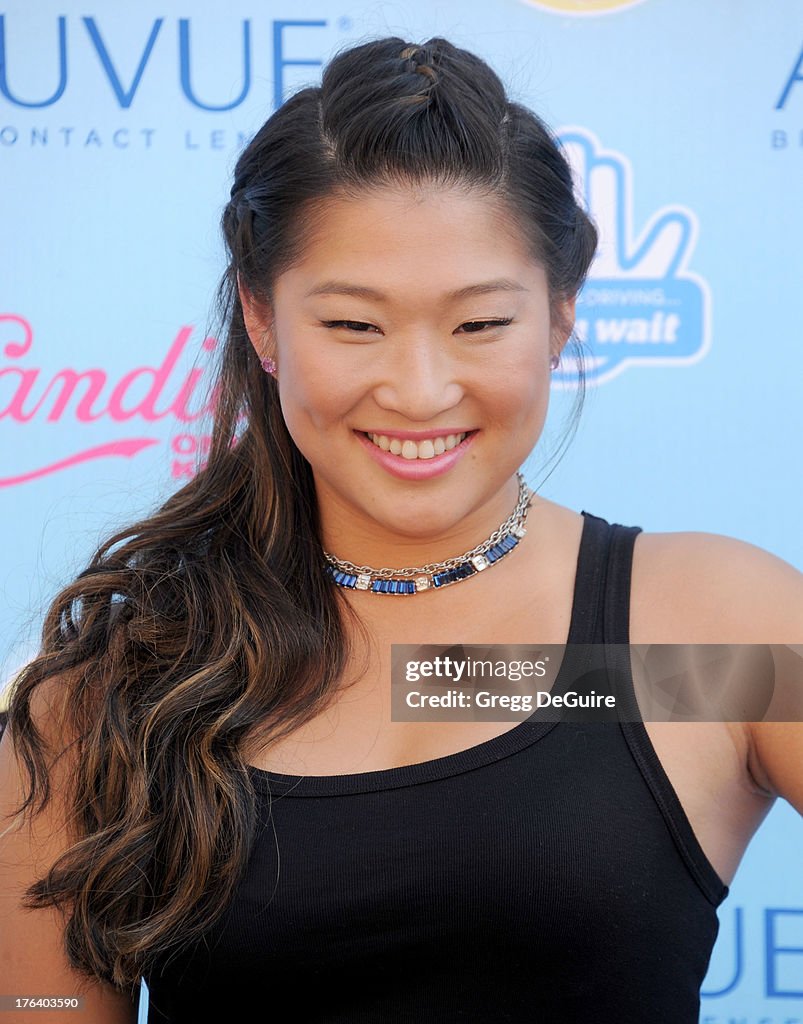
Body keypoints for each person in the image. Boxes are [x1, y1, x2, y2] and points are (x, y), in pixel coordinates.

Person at [1, 34, 801, 1024]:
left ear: (559, 313)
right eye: (352, 326)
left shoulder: (695, 638)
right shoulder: (117, 691)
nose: (419, 391)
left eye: (477, 325)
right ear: (260, 317)